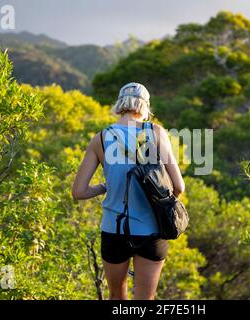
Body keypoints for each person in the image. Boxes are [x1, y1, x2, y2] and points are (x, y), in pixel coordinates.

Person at [72, 82, 185, 300]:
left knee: (117, 298)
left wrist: (105, 186)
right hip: (151, 231)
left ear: (120, 104)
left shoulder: (101, 138)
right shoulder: (156, 133)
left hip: (114, 230)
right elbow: (179, 187)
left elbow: (79, 192)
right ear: (145, 107)